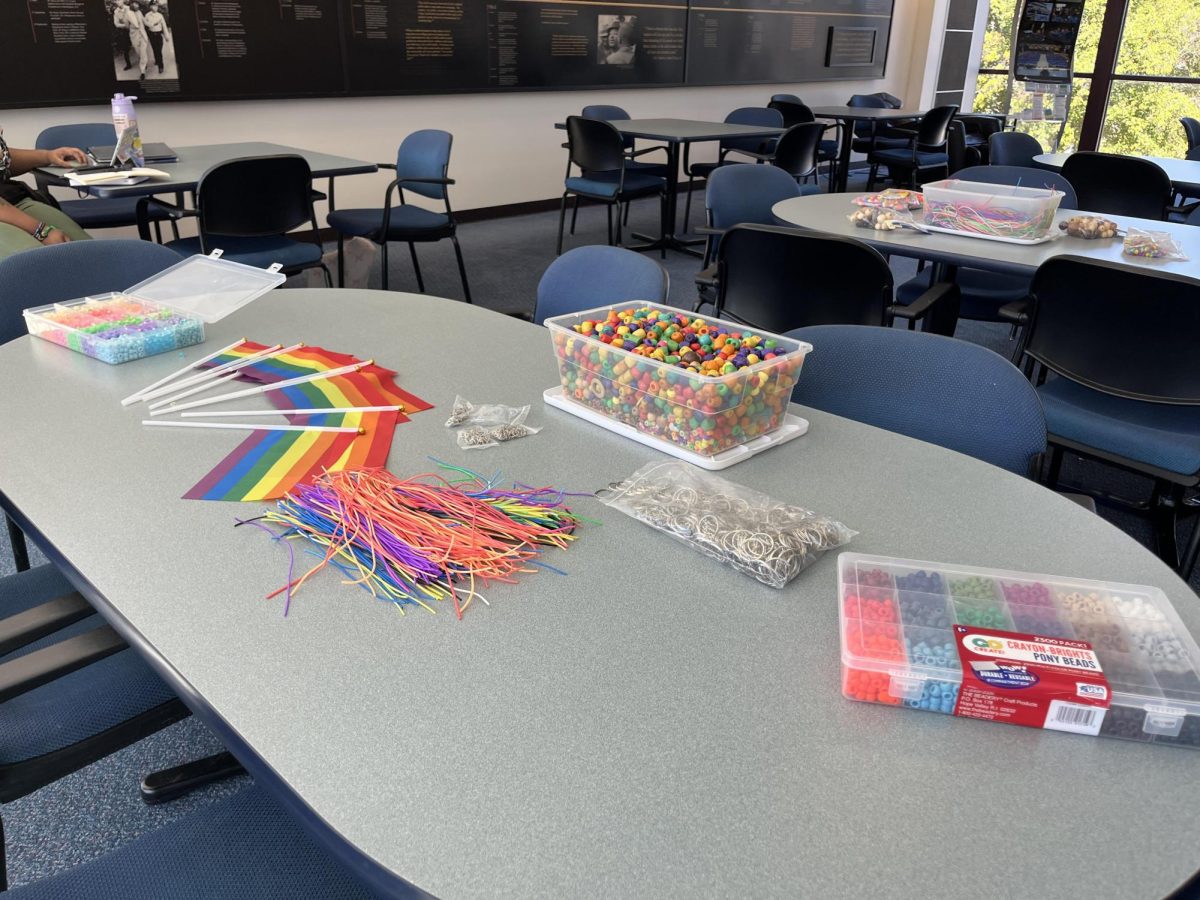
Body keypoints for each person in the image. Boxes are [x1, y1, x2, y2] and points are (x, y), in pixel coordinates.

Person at [0, 132, 92, 259]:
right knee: (40, 261)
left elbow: (4, 159)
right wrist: (41, 231)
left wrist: (48, 156)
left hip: (12, 200)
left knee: (88, 251)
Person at [143, 1, 170, 74]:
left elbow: (164, 26)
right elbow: (145, 23)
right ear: (150, 7)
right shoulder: (147, 15)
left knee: (159, 51)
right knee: (154, 49)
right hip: (151, 35)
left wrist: (166, 36)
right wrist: (153, 24)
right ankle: (157, 60)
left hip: (158, 35)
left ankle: (161, 66)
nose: (156, 7)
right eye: (154, 6)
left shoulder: (160, 15)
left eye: (156, 6)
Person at [126, 1, 150, 79]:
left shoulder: (139, 12)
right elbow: (126, 25)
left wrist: (151, 24)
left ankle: (142, 71)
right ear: (131, 4)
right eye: (135, 4)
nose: (137, 5)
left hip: (142, 35)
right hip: (134, 36)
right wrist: (132, 28)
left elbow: (144, 21)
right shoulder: (128, 13)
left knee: (143, 52)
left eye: (137, 4)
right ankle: (143, 62)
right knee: (138, 52)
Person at [112, 0, 134, 71]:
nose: (118, 2)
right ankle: (128, 64)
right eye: (116, 1)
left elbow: (134, 19)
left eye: (119, 0)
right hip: (124, 32)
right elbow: (116, 24)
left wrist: (131, 25)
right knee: (125, 49)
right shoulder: (116, 11)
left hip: (133, 30)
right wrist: (125, 25)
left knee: (137, 46)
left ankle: (142, 63)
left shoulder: (129, 8)